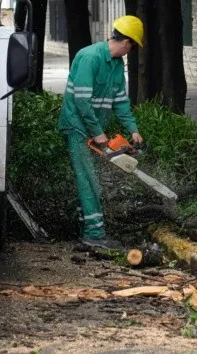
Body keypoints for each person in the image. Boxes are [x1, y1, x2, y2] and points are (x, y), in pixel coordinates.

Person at [58, 15, 145, 249]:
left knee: (89, 179)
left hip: (94, 130)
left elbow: (120, 101)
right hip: (78, 127)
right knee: (89, 181)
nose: (131, 51)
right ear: (127, 42)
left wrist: (133, 130)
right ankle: (94, 235)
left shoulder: (116, 65)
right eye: (132, 46)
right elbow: (82, 102)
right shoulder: (90, 57)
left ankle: (84, 228)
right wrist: (98, 134)